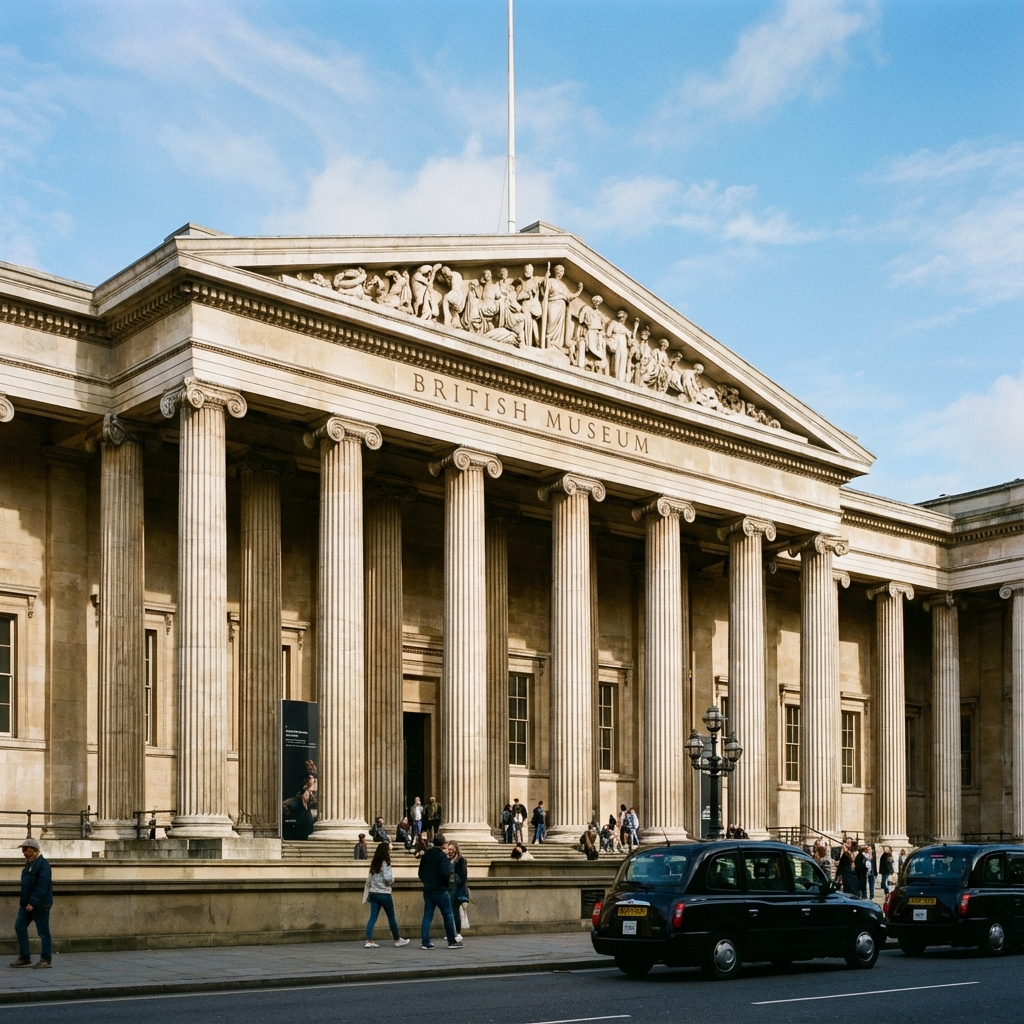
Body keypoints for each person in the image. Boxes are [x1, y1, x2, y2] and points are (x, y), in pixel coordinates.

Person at [10, 838, 52, 969]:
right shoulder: (28, 865)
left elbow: (42, 886)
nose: (23, 852)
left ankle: (46, 959)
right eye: (22, 849)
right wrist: (25, 903)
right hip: (26, 904)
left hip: (40, 905)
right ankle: (25, 957)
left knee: (43, 932)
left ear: (34, 850)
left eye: (25, 849)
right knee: (19, 926)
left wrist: (33, 902)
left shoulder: (43, 865)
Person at [363, 843, 410, 948]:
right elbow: (388, 878)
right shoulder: (386, 863)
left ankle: (369, 940)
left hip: (374, 893)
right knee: (391, 917)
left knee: (373, 917)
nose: (390, 852)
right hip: (384, 893)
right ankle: (397, 939)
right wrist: (393, 881)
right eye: (389, 850)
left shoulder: (374, 862)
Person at [418, 834, 460, 949]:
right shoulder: (442, 856)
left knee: (427, 915)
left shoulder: (426, 855)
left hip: (428, 889)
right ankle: (451, 940)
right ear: (443, 844)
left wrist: (426, 882)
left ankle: (425, 942)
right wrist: (446, 884)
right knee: (448, 914)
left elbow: (420, 872)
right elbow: (446, 872)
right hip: (440, 890)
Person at [445, 841, 470, 939]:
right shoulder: (446, 860)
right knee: (449, 911)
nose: (450, 851)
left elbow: (463, 877)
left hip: (457, 889)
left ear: (456, 850)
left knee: (455, 911)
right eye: (449, 849)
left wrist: (452, 878)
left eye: (452, 849)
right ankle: (451, 932)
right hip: (449, 888)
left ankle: (458, 932)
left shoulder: (460, 861)